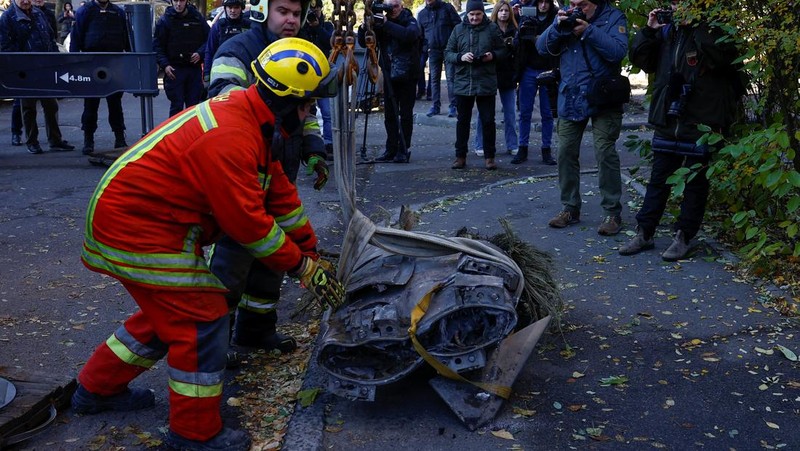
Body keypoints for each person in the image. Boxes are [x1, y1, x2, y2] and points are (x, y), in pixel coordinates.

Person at [71, 38, 343, 451]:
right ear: (287, 101)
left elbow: (280, 197)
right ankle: (194, 433)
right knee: (202, 316)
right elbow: (250, 227)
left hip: (148, 225)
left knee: (170, 312)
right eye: (307, 105)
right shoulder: (230, 136)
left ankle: (95, 389)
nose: (309, 115)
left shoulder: (253, 121)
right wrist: (302, 267)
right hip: (136, 229)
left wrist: (311, 251)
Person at [208, 0, 331, 356]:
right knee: (231, 261)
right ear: (264, 11)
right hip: (242, 174)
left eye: (296, 13)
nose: (291, 19)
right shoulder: (238, 50)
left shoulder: (299, 50)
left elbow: (303, 110)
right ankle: (216, 341)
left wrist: (313, 150)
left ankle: (255, 331)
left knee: (271, 261)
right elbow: (225, 105)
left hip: (280, 171)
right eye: (283, 11)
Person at [620, 1, 742, 261]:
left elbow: (722, 58)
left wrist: (697, 26)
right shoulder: (668, 28)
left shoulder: (715, 24)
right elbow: (641, 60)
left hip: (702, 116)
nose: (675, 7)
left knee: (696, 182)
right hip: (670, 114)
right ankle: (645, 232)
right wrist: (650, 31)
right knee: (659, 178)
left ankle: (684, 236)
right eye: (672, 3)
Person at [536, 0, 628, 236]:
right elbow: (541, 47)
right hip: (571, 95)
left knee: (604, 151)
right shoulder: (564, 17)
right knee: (565, 150)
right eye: (573, 3)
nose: (577, 7)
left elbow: (618, 52)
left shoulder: (613, 17)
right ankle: (570, 208)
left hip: (603, 96)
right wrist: (557, 26)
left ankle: (612, 212)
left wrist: (589, 30)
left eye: (582, 4)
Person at [0, 0, 74, 154]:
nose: (26, 1)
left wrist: (55, 59)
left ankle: (55, 140)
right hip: (25, 70)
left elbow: (49, 37)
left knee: (51, 106)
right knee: (28, 107)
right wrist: (22, 61)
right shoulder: (8, 17)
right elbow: (5, 46)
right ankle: (32, 141)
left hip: (45, 67)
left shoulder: (38, 12)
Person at [446, 0, 508, 170]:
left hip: (485, 82)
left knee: (488, 121)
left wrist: (492, 56)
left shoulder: (492, 29)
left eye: (478, 14)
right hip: (463, 82)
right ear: (467, 14)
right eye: (472, 14)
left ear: (483, 14)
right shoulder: (458, 30)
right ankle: (460, 156)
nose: (474, 18)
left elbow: (503, 51)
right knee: (462, 122)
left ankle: (489, 157)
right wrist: (461, 57)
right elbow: (448, 53)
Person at [357, 0, 421, 163]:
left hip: (408, 75)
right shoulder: (381, 22)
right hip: (389, 73)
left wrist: (386, 24)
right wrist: (366, 26)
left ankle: (403, 149)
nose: (392, 10)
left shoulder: (409, 20)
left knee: (405, 114)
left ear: (401, 6)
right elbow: (364, 42)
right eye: (389, 6)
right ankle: (390, 149)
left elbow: (410, 35)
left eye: (395, 6)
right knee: (390, 115)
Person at [70, 0, 131, 154]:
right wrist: (74, 64)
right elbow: (76, 39)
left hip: (114, 64)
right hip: (92, 64)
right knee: (90, 105)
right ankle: (88, 139)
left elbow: (127, 38)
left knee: (115, 104)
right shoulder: (85, 11)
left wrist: (131, 61)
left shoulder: (118, 12)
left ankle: (119, 138)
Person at [512, 0, 557, 165]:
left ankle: (546, 149)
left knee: (547, 113)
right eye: (540, 2)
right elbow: (518, 42)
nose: (543, 5)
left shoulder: (555, 18)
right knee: (525, 112)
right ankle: (522, 148)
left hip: (547, 68)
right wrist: (523, 27)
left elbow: (557, 41)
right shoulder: (528, 17)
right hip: (529, 68)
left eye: (546, 2)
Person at [473, 0, 518, 158]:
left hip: (508, 75)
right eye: (501, 11)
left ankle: (512, 144)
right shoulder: (489, 29)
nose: (504, 13)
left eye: (506, 10)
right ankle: (480, 144)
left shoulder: (515, 30)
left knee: (510, 113)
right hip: (490, 74)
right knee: (484, 114)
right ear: (496, 13)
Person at [153, 0, 210, 117]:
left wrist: (200, 53)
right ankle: (175, 135)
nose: (178, 4)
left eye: (182, 0)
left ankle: (193, 135)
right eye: (176, 0)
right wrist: (165, 65)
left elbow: (209, 40)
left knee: (194, 108)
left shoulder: (197, 18)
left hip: (193, 69)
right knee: (176, 108)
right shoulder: (165, 21)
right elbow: (157, 46)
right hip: (174, 70)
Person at [301, 0, 334, 159]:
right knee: (308, 112)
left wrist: (317, 27)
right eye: (311, 10)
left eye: (317, 10)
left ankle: (328, 143)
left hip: (323, 75)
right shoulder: (303, 28)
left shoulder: (327, 26)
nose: (314, 13)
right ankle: (312, 144)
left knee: (327, 112)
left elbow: (330, 43)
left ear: (321, 9)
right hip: (307, 76)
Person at [417, 0, 461, 118]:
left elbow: (458, 27)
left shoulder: (447, 8)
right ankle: (435, 106)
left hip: (449, 50)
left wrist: (455, 45)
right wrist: (426, 48)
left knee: (451, 78)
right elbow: (420, 35)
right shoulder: (422, 14)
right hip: (433, 51)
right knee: (434, 80)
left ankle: (453, 106)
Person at [203, 0, 250, 89]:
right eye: (230, 7)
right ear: (225, 8)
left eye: (236, 7)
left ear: (241, 8)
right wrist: (206, 76)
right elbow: (209, 51)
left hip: (245, 77)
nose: (233, 10)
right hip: (220, 78)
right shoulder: (219, 26)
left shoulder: (248, 26)